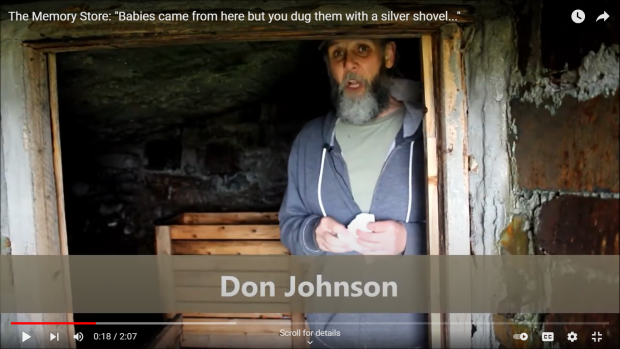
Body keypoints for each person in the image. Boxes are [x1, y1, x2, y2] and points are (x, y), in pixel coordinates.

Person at [279, 38, 428, 348]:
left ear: (388, 55)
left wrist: (406, 240)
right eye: (337, 53)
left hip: (416, 338)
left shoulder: (433, 132)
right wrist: (312, 233)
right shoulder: (309, 140)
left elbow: (468, 231)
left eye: (362, 49)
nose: (349, 63)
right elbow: (289, 225)